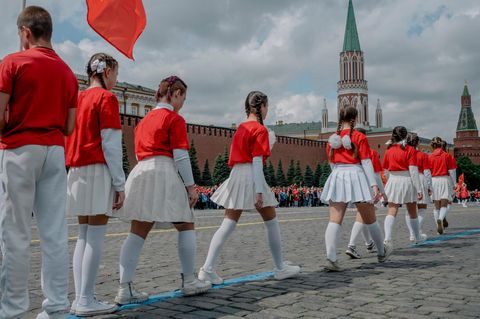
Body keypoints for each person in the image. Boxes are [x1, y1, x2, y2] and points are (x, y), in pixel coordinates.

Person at [0, 6, 78, 319]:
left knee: (15, 233)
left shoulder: (12, 62)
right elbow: (70, 127)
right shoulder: (68, 73)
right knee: (54, 232)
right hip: (55, 151)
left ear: (26, 33)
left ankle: (13, 310)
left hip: (19, 148)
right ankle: (56, 307)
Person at [114, 76, 211, 304]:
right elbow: (180, 155)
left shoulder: (143, 121)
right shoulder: (173, 119)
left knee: (137, 230)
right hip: (164, 170)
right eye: (183, 98)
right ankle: (189, 280)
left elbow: (138, 154)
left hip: (141, 171)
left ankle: (124, 288)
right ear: (176, 93)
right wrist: (190, 187)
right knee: (185, 223)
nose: (183, 103)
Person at [199, 91, 301, 284]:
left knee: (227, 224)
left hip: (237, 174)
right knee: (271, 222)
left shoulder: (240, 128)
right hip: (252, 176)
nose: (267, 110)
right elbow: (256, 160)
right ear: (262, 107)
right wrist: (259, 190)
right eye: (267, 107)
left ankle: (207, 268)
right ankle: (280, 267)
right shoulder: (260, 130)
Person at [65, 53, 125, 316]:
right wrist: (119, 183)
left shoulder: (77, 98)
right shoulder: (106, 98)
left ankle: (80, 297)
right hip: (98, 169)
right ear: (107, 71)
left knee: (83, 235)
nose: (116, 79)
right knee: (95, 237)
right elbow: (110, 144)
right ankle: (86, 298)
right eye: (116, 73)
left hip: (76, 170)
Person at [320, 106, 391, 271]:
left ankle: (331, 258)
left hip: (337, 175)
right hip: (357, 175)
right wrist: (374, 185)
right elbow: (366, 162)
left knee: (334, 220)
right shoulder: (359, 136)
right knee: (370, 217)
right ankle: (381, 252)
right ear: (355, 119)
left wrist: (338, 178)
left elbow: (331, 162)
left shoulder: (332, 139)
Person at [382, 126, 426, 246]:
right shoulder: (410, 150)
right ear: (406, 136)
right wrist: (419, 188)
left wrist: (389, 181)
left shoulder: (388, 150)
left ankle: (387, 238)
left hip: (393, 180)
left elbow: (385, 170)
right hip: (407, 181)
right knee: (412, 211)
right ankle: (417, 237)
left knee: (392, 210)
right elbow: (413, 171)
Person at [345, 128, 385, 259]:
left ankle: (369, 243)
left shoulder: (348, 150)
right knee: (365, 216)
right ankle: (352, 245)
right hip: (367, 184)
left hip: (353, 183)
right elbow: (376, 175)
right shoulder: (371, 153)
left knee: (364, 216)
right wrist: (382, 192)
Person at [404, 133, 431, 242]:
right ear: (418, 143)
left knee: (409, 209)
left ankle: (411, 234)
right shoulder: (423, 155)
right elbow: (427, 172)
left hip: (407, 179)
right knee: (422, 208)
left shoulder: (404, 153)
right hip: (420, 178)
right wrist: (429, 186)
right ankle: (417, 231)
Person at [429, 137, 456, 234]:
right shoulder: (447, 156)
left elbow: (428, 172)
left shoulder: (430, 156)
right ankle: (441, 218)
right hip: (444, 179)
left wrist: (429, 185)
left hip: (434, 180)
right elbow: (452, 171)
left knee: (436, 205)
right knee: (445, 202)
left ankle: (438, 226)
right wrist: (454, 184)